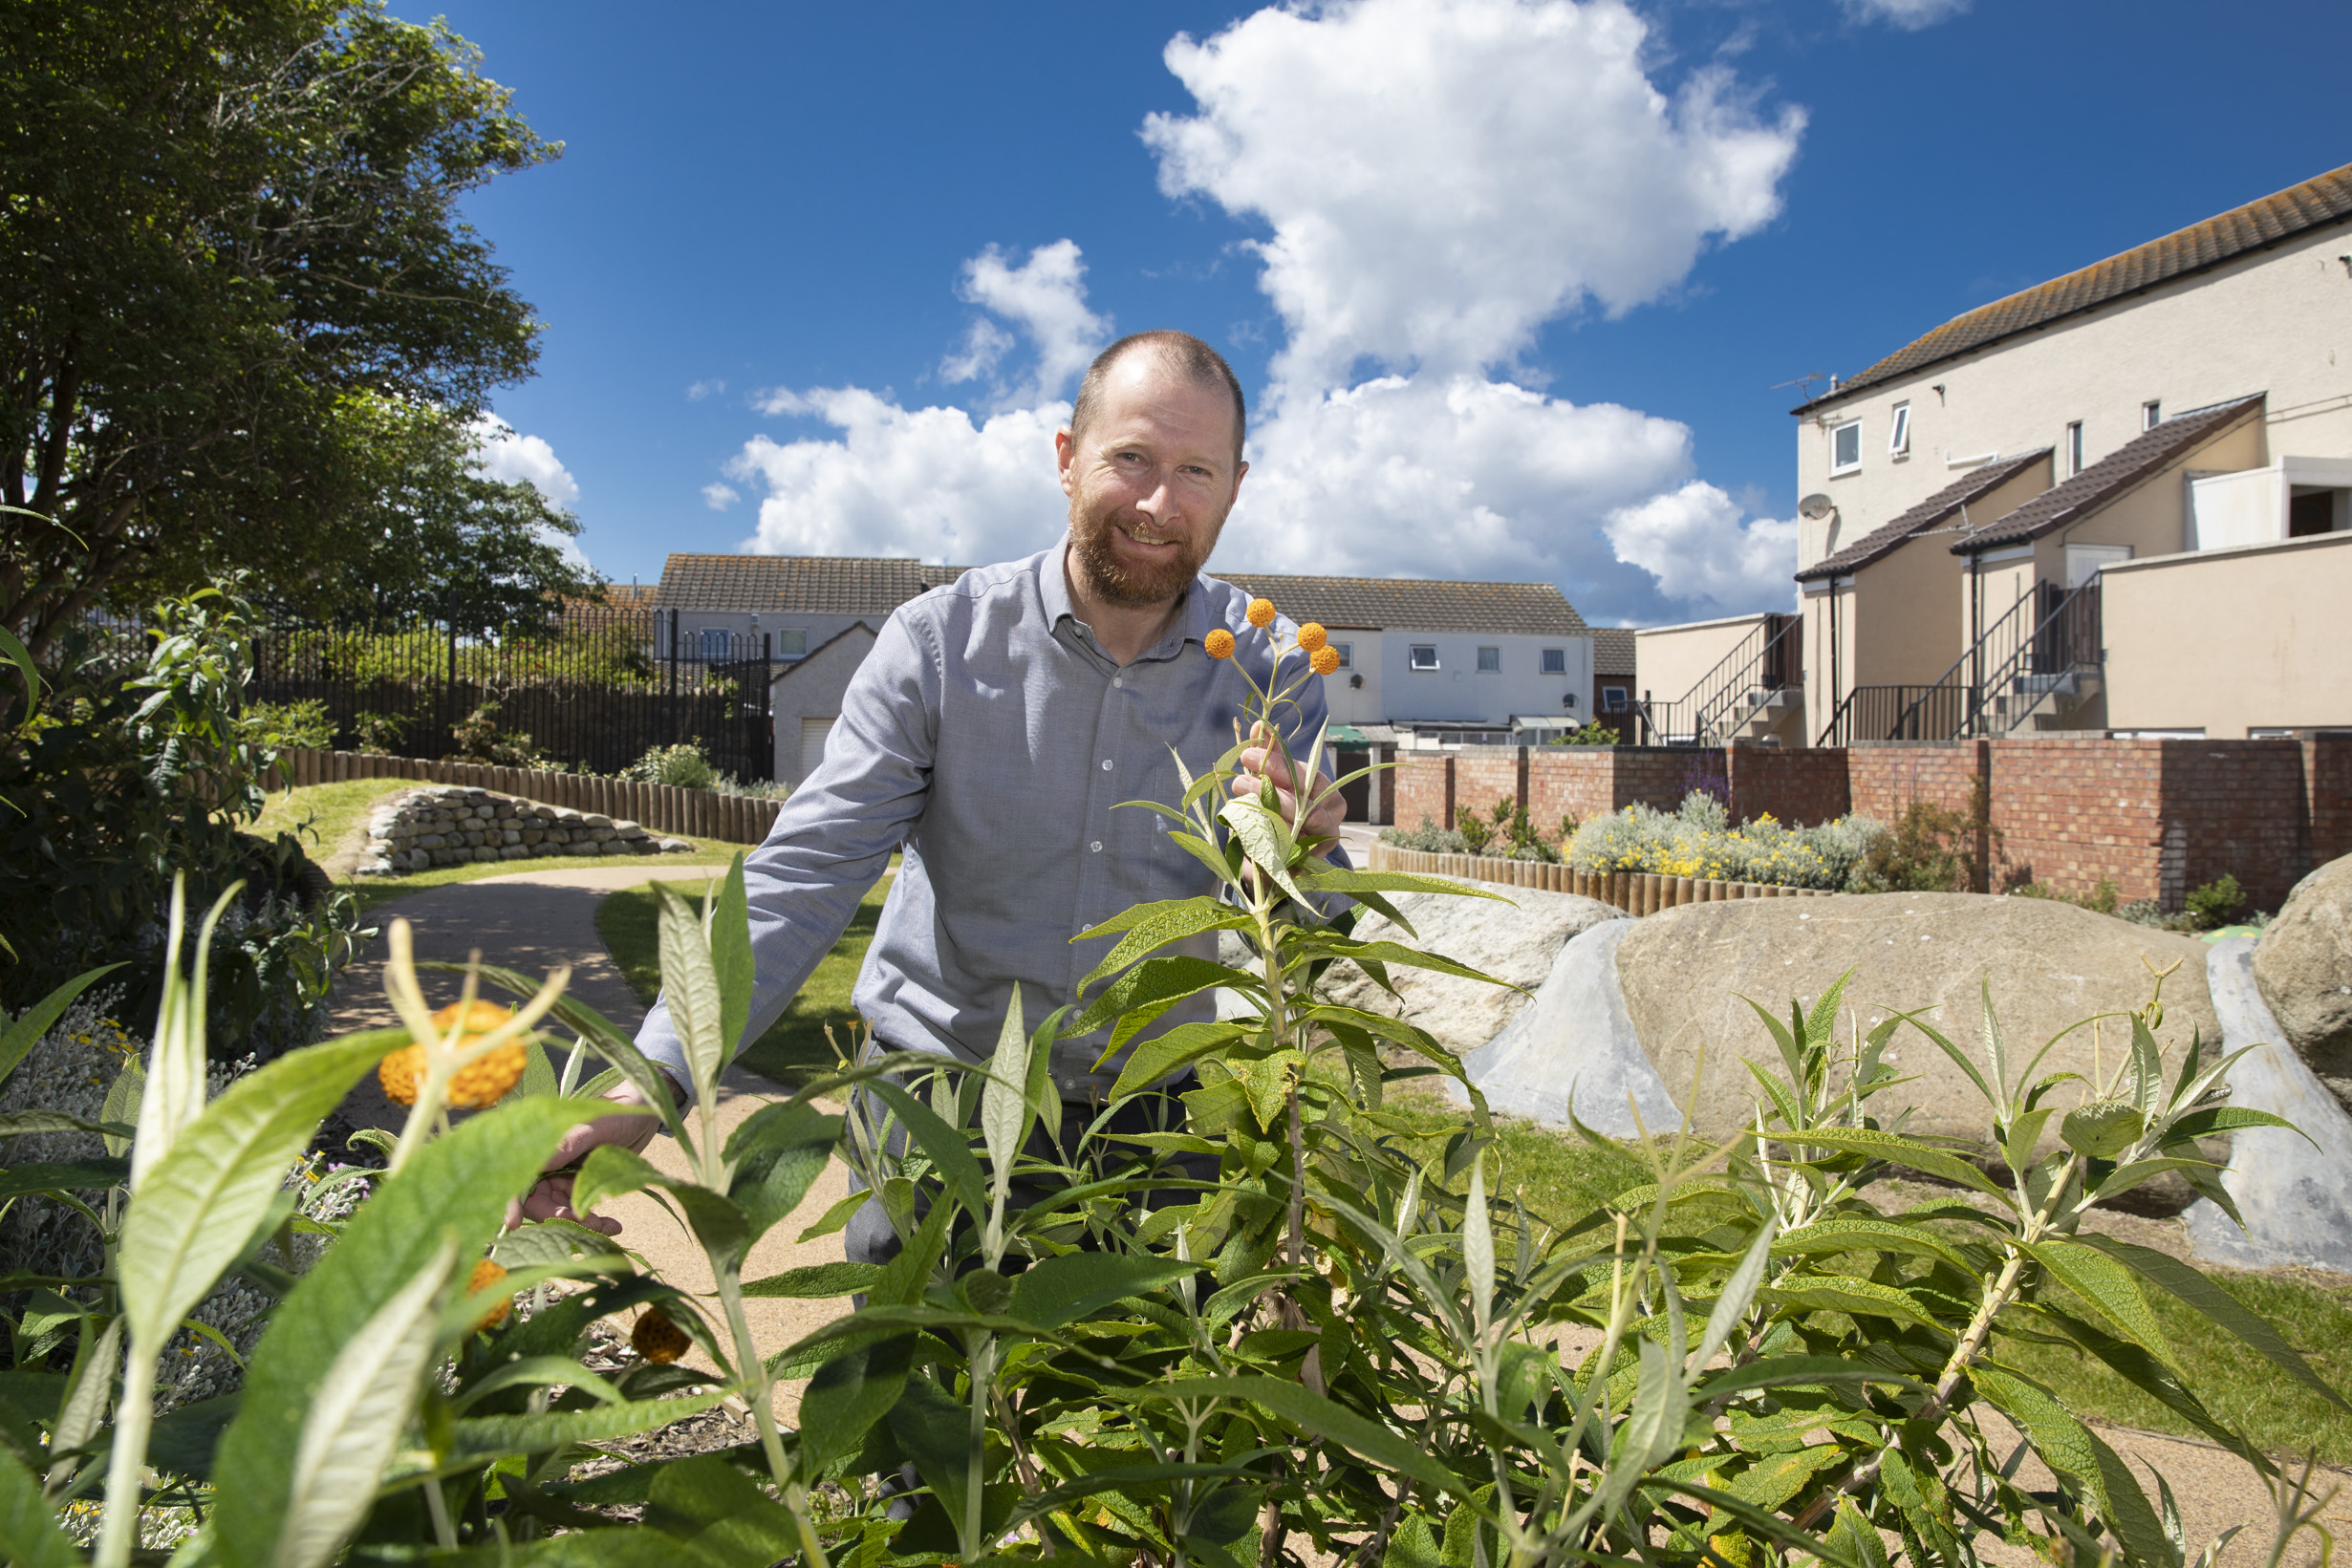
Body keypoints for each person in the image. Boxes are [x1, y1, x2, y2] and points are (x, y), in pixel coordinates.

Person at [515, 329, 1345, 1239]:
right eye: (1131, 457)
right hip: (938, 1100)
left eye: (1196, 471)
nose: (1156, 502)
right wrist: (654, 1078)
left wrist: (1312, 856)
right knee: (907, 1381)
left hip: (1153, 1119)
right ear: (1066, 460)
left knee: (1160, 1378)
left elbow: (1303, 929)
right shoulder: (936, 644)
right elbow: (805, 873)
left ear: (1235, 485)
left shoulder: (1274, 668)